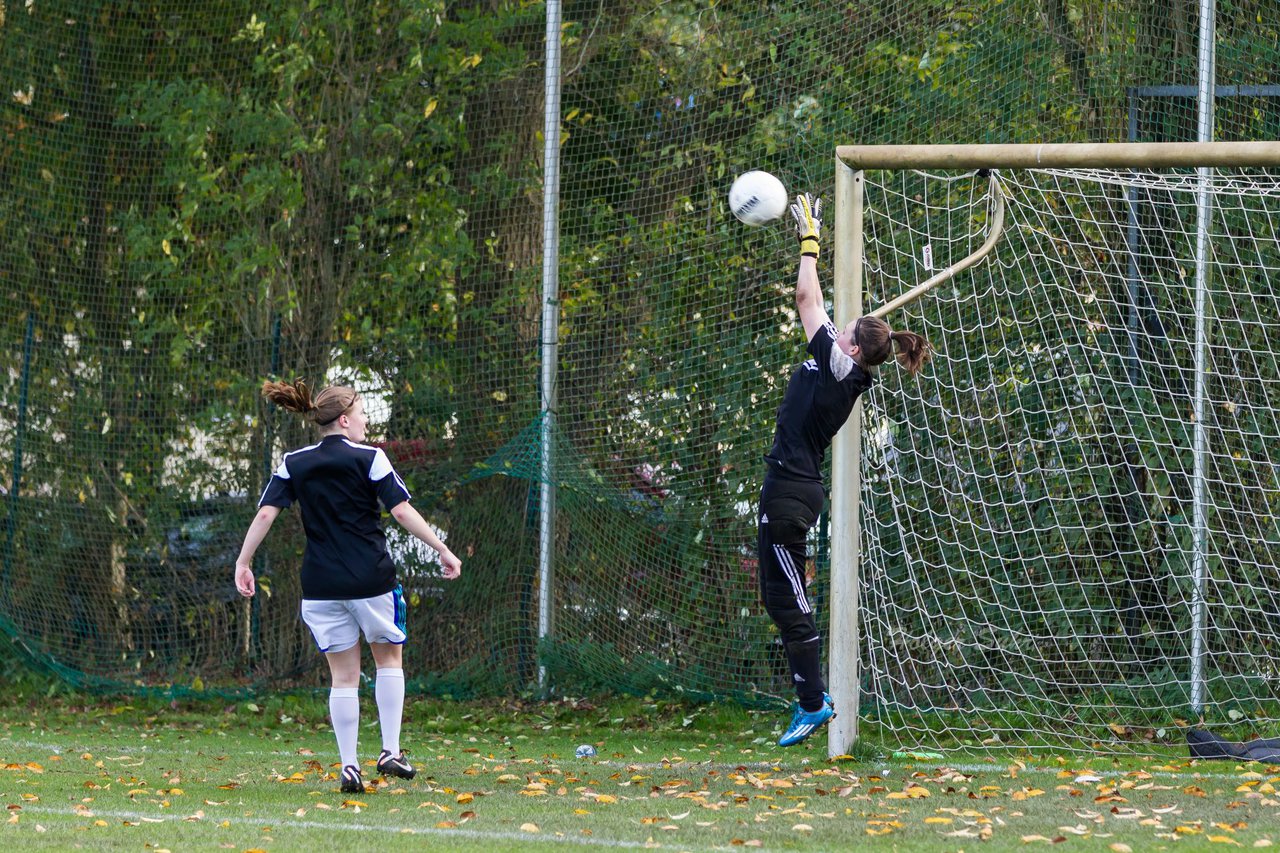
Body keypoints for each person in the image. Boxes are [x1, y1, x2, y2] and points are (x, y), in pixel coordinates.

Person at [760, 193, 930, 747]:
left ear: (854, 350)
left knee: (788, 600)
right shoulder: (844, 361)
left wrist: (810, 243)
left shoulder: (839, 367)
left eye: (849, 329)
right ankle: (811, 698)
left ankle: (812, 702)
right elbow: (817, 311)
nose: (841, 328)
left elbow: (806, 296)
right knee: (779, 595)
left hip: (790, 492)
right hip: (790, 490)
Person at [233, 379, 462, 792]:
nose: (365, 421)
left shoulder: (294, 461)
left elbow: (267, 514)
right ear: (343, 419)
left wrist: (243, 560)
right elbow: (403, 512)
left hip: (320, 587)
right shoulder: (370, 457)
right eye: (360, 414)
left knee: (343, 678)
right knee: (389, 661)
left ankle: (349, 765)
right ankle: (390, 752)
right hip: (371, 580)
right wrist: (442, 548)